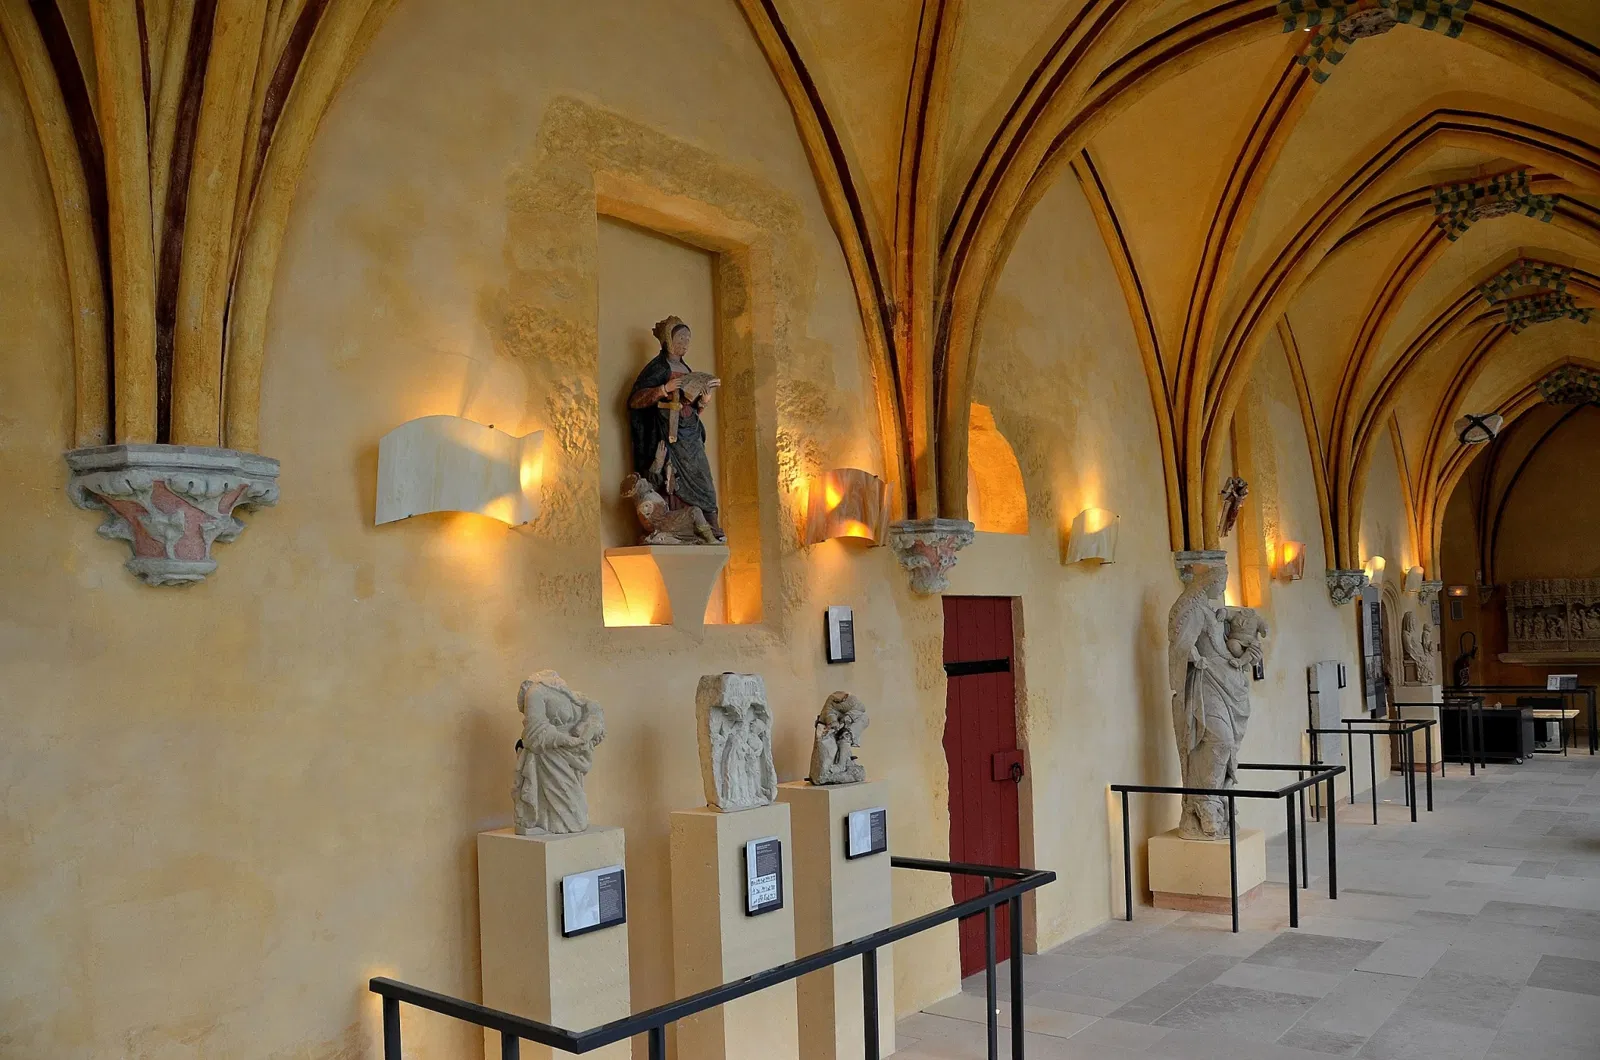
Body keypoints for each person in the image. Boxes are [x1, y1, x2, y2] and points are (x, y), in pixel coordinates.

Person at [628, 316, 724, 540]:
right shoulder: (657, 368)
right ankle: (680, 526)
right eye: (680, 337)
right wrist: (664, 388)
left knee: (704, 478)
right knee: (672, 480)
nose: (685, 342)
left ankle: (711, 526)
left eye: (688, 338)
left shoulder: (686, 368)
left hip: (690, 433)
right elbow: (635, 400)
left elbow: (688, 406)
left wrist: (703, 401)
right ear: (668, 340)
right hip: (668, 433)